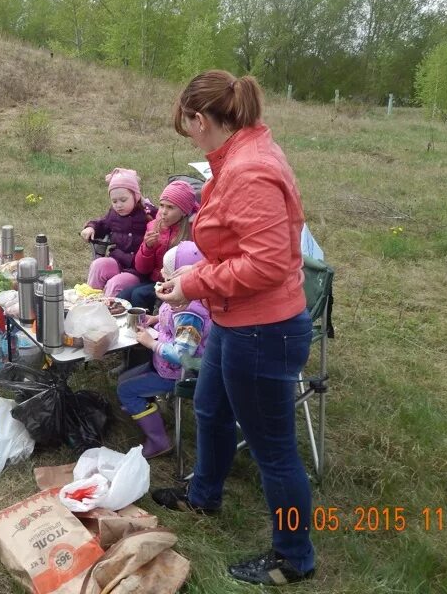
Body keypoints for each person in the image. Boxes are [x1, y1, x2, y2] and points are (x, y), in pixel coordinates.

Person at [150, 70, 316, 585]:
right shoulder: (237, 155)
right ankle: (204, 498)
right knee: (211, 407)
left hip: (263, 330)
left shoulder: (250, 170)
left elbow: (267, 265)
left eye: (187, 124)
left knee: (274, 451)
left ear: (202, 120)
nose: (187, 133)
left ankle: (294, 557)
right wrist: (196, 276)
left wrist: (195, 282)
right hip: (233, 318)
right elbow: (238, 246)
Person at [117, 241, 212, 458]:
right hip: (164, 365)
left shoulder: (191, 314)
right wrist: (155, 319)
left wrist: (152, 344)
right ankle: (143, 410)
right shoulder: (180, 298)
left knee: (125, 390)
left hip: (179, 374)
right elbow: (171, 322)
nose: (161, 273)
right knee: (124, 380)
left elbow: (183, 355)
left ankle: (159, 441)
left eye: (167, 271)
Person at [117, 180, 197, 312]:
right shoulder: (154, 226)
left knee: (139, 295)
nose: (163, 212)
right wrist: (147, 248)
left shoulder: (192, 232)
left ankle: (148, 327)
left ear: (184, 211)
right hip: (154, 281)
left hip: (177, 284)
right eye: (161, 205)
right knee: (123, 297)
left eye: (170, 207)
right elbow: (142, 269)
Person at [80, 167, 156, 297]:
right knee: (98, 264)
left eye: (123, 200)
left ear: (136, 196)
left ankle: (109, 311)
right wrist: (91, 227)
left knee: (116, 283)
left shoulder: (148, 214)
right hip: (118, 260)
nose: (118, 205)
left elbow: (166, 225)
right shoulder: (114, 214)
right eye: (114, 201)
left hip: (138, 271)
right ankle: (90, 299)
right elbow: (103, 224)